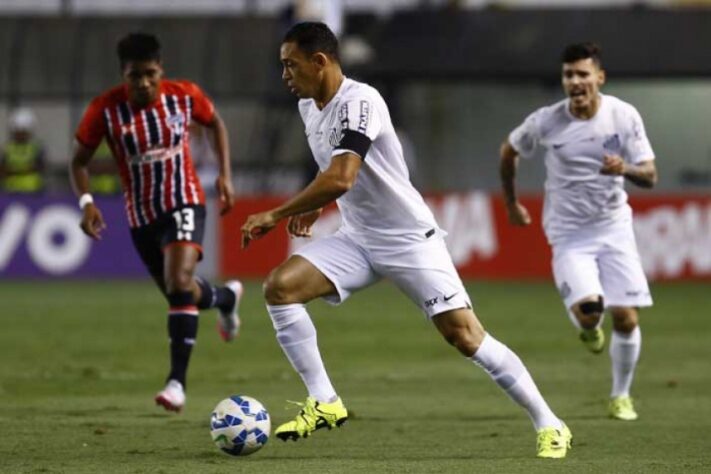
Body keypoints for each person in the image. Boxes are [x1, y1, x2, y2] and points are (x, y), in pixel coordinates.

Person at [241, 22, 572, 459]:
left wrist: (276, 211)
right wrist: (313, 204)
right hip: (358, 239)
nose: (284, 75)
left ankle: (550, 423)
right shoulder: (309, 106)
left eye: (290, 65)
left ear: (319, 62)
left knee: (467, 337)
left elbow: (342, 175)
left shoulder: (360, 101)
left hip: (409, 240)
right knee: (280, 288)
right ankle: (324, 401)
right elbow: (335, 172)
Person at [69, 33, 243, 413]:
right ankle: (227, 298)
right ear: (123, 75)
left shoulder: (184, 95)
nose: (144, 83)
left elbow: (216, 124)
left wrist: (225, 175)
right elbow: (78, 161)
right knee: (180, 294)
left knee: (179, 282)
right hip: (141, 216)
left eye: (150, 74)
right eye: (135, 76)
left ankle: (176, 383)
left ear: (161, 69)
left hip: (185, 201)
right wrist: (87, 203)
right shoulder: (105, 110)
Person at [500, 42, 657, 422]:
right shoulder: (546, 121)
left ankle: (620, 396)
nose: (575, 81)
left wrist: (626, 170)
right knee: (590, 314)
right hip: (569, 234)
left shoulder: (623, 116)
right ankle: (588, 327)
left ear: (599, 78)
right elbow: (509, 151)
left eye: (583, 74)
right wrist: (511, 203)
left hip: (614, 226)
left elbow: (650, 175)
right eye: (569, 74)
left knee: (627, 318)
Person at [0, 107, 46, 193]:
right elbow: (2, 169)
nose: (20, 135)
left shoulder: (36, 148)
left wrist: (14, 170)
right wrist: (25, 169)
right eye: (18, 131)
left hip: (33, 191)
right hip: (10, 190)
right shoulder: (7, 148)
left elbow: (40, 167)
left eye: (23, 131)